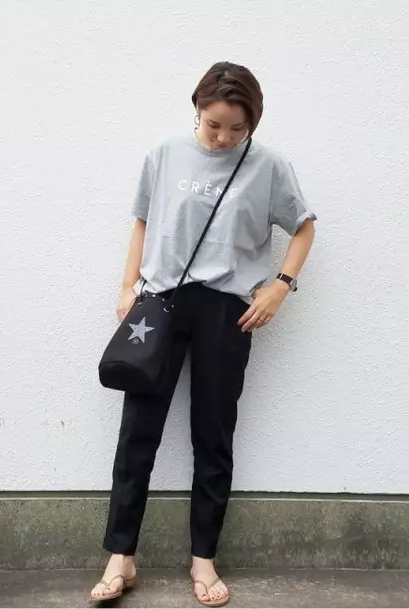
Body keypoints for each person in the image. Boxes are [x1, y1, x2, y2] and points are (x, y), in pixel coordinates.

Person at [90, 61, 317, 607]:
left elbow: (304, 226)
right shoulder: (166, 153)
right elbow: (143, 220)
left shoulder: (268, 165)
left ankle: (203, 558)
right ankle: (121, 556)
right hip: (160, 304)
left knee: (213, 434)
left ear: (253, 123)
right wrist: (126, 286)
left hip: (226, 309)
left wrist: (280, 285)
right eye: (214, 124)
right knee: (138, 432)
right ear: (197, 109)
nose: (223, 137)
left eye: (238, 128)